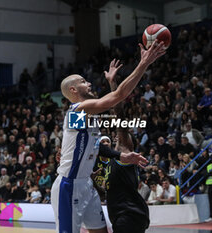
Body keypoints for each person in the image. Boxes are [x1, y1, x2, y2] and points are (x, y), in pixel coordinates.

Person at [51, 40, 165, 233]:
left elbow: (96, 146)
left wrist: (120, 156)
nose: (88, 83)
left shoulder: (87, 116)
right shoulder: (78, 110)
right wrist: (144, 63)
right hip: (69, 185)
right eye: (83, 82)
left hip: (87, 184)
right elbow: (118, 96)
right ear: (73, 90)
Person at [104, 66, 150, 233]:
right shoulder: (114, 160)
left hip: (128, 215)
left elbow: (119, 115)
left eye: (124, 135)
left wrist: (112, 84)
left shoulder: (124, 152)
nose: (119, 135)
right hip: (124, 215)